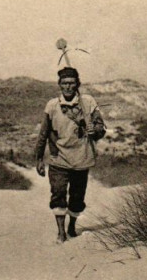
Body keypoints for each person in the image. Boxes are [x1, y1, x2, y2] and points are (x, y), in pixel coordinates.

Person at [35, 67, 105, 243]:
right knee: (58, 193)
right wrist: (39, 158)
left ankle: (72, 226)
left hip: (82, 158)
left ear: (77, 84)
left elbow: (101, 127)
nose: (68, 87)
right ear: (59, 85)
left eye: (72, 83)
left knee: (77, 196)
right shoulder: (52, 105)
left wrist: (94, 130)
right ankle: (61, 233)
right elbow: (43, 133)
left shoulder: (88, 102)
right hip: (59, 158)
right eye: (64, 83)